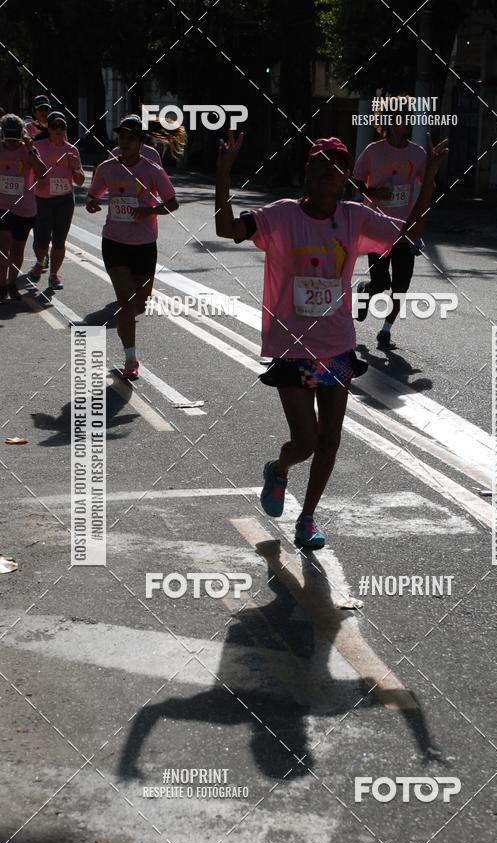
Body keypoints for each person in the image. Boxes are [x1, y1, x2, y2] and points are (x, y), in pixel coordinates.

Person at [215, 131, 447, 549]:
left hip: (337, 344)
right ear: (308, 170)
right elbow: (226, 227)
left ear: (345, 180)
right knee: (305, 440)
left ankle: (307, 517)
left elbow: (409, 232)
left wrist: (428, 175)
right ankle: (280, 467)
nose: (328, 175)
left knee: (331, 437)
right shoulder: (281, 215)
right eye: (321, 165)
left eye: (338, 169)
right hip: (292, 347)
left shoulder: (356, 217)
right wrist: (224, 172)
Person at [86, 115, 178, 379]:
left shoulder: (152, 170)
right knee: (126, 304)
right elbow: (93, 196)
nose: (123, 142)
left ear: (140, 142)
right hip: (114, 242)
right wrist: (92, 203)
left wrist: (150, 210)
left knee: (141, 303)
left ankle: (126, 324)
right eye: (121, 137)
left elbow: (172, 203)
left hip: (144, 244)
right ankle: (130, 360)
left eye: (130, 137)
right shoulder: (107, 168)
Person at [353, 95, 427, 350]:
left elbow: (426, 186)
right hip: (376, 228)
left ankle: (385, 333)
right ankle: (366, 290)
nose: (407, 123)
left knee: (401, 286)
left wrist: (418, 225)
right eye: (402, 117)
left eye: (409, 118)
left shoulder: (417, 154)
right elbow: (356, 180)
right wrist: (373, 194)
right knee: (381, 283)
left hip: (404, 230)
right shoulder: (373, 151)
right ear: (390, 120)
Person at [29, 111, 85, 289]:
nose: (58, 129)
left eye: (62, 126)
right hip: (42, 198)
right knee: (40, 240)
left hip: (64, 200)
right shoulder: (38, 146)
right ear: (49, 128)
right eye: (54, 126)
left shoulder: (72, 149)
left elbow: (80, 181)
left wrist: (75, 167)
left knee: (59, 240)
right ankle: (40, 261)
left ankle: (53, 275)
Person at [0, 114, 46, 301]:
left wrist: (29, 149)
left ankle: (12, 283)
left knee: (18, 250)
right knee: (4, 246)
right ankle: (2, 285)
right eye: (8, 139)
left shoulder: (28, 150)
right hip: (2, 206)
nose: (11, 144)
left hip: (24, 208)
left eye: (15, 139)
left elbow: (42, 173)